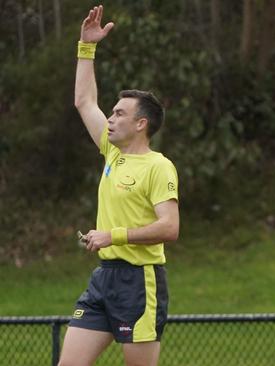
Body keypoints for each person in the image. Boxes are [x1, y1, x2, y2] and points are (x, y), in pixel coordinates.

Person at [58, 5, 179, 366]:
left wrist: (113, 236)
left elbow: (170, 228)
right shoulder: (112, 152)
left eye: (119, 114)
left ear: (142, 124)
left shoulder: (159, 166)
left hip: (139, 283)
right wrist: (86, 47)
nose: (109, 118)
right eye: (111, 113)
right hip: (104, 280)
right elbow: (84, 101)